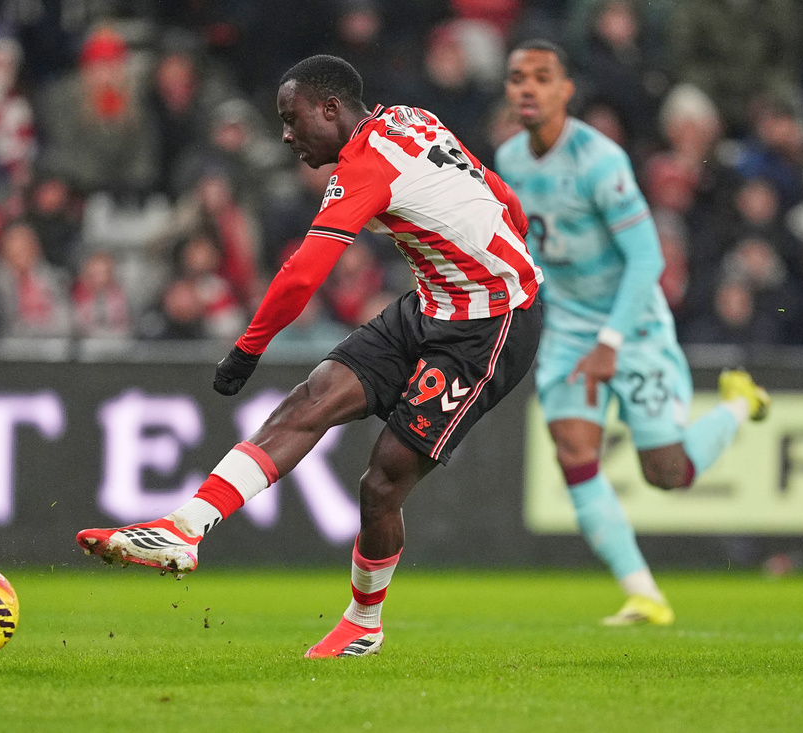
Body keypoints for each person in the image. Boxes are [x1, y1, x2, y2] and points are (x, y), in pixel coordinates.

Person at [77, 54, 543, 657]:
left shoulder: (366, 166)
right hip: (434, 303)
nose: (286, 135)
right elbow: (507, 201)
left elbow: (302, 275)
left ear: (331, 109)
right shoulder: (411, 119)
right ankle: (182, 529)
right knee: (311, 399)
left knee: (381, 483)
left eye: (292, 119)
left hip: (492, 325)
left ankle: (363, 624)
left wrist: (245, 351)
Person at [495, 40, 771, 626]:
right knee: (573, 449)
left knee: (667, 473)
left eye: (542, 77)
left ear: (565, 90)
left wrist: (611, 345)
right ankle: (643, 592)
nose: (527, 87)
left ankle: (738, 405)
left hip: (633, 323)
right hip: (570, 324)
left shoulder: (600, 160)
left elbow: (648, 260)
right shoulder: (510, 159)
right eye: (518, 77)